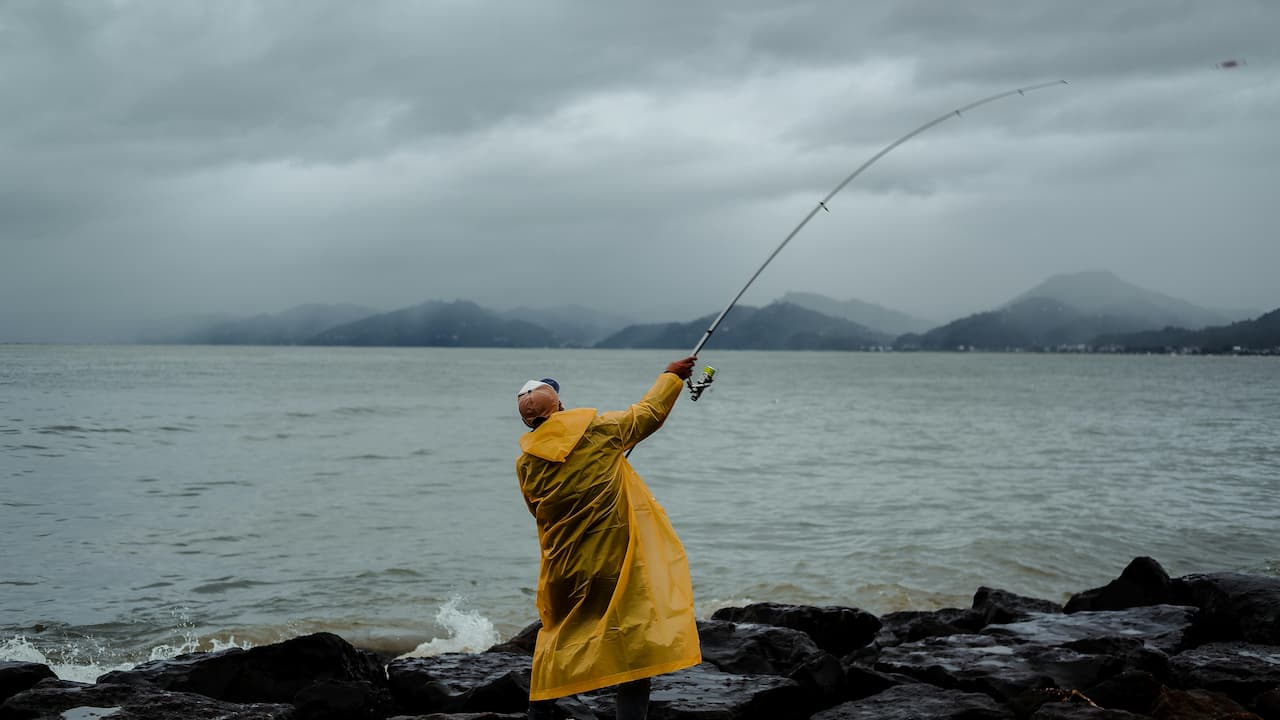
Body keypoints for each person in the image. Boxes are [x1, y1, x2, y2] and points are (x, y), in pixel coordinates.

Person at [515, 357, 702, 720]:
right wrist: (672, 375)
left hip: (565, 569)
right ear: (561, 405)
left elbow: (537, 510)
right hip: (614, 561)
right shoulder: (599, 430)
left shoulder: (525, 464)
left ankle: (539, 713)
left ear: (526, 420)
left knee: (556, 640)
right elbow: (649, 412)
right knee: (633, 640)